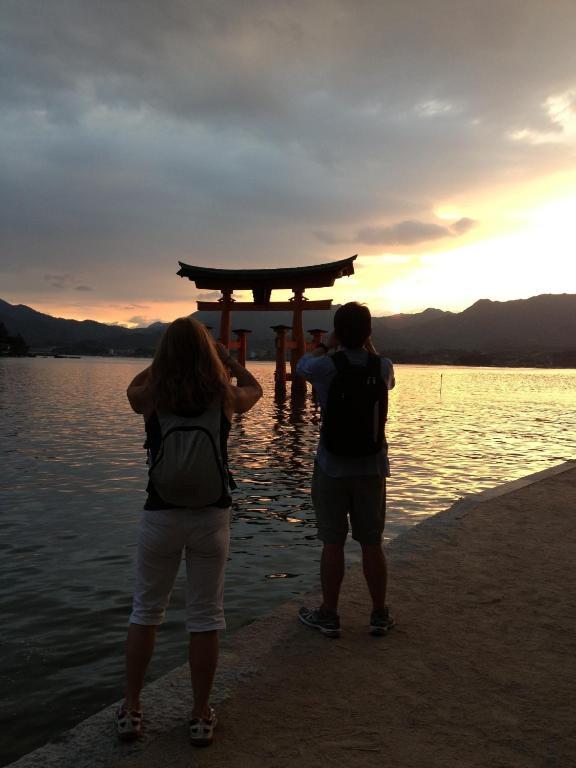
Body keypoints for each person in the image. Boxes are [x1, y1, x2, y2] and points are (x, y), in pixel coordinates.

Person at [116, 317, 262, 746]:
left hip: (160, 514)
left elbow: (130, 392)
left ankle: (132, 710)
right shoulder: (224, 396)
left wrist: (158, 364)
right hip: (211, 518)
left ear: (165, 356)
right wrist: (229, 360)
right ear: (208, 354)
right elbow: (257, 389)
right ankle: (199, 715)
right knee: (205, 618)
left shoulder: (153, 395)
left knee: (145, 612)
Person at [296, 302, 395, 639]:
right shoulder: (382, 366)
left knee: (332, 542)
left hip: (332, 466)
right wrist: (366, 344)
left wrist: (327, 342)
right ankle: (379, 614)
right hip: (372, 466)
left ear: (338, 332)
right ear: (368, 333)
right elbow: (386, 377)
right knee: (372, 543)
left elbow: (302, 366)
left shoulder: (325, 367)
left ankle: (329, 614)